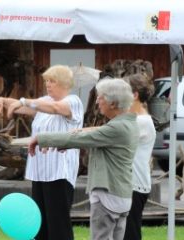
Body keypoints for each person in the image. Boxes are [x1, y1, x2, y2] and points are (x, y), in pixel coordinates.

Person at [29, 78, 138, 240]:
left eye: (101, 97)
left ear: (113, 103)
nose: (97, 102)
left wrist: (42, 138)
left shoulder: (116, 128)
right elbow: (90, 134)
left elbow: (85, 138)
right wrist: (70, 137)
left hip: (108, 196)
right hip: (121, 196)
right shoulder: (127, 124)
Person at [0, 65, 84, 240]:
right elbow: (21, 106)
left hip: (59, 173)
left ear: (63, 83)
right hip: (40, 172)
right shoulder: (44, 101)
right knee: (40, 226)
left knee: (58, 225)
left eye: (52, 81)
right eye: (46, 81)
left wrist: (24, 101)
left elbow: (54, 108)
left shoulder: (73, 101)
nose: (48, 84)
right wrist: (2, 100)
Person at [123, 74, 157, 240]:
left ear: (134, 95)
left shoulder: (141, 121)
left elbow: (109, 134)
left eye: (124, 91)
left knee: (130, 233)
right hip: (129, 184)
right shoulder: (133, 119)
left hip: (135, 184)